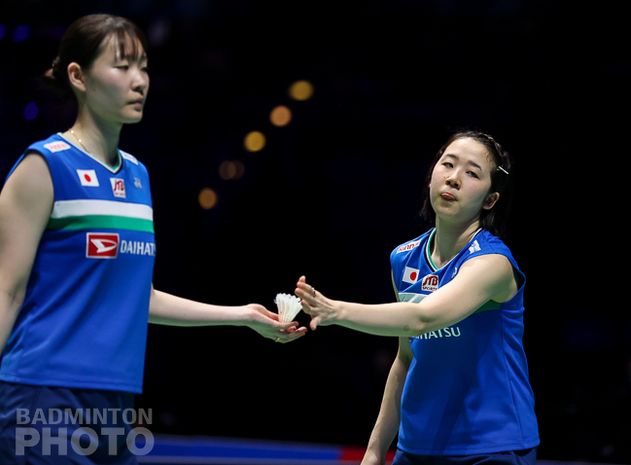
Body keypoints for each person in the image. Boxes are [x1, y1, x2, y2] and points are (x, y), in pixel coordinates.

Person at [0, 13, 306, 464]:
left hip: (116, 403)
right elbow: (6, 291)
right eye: (122, 66)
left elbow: (135, 298)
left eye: (143, 66)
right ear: (78, 76)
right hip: (42, 395)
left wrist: (241, 316)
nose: (139, 80)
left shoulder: (138, 176)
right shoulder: (43, 167)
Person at [295, 130, 539, 465]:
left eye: (471, 173)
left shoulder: (493, 264)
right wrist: (375, 449)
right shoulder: (404, 258)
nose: (453, 179)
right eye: (448, 165)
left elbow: (423, 317)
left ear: (490, 199)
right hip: (417, 448)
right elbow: (407, 358)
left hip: (490, 447)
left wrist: (337, 311)